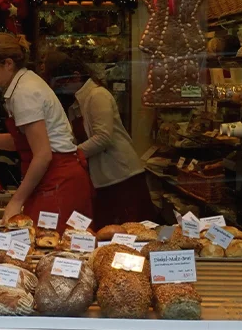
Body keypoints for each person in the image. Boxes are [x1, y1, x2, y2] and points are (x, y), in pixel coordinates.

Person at [0, 33, 93, 226]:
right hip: (56, 177)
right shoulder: (24, 83)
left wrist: (16, 201)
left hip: (58, 180)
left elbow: (42, 155)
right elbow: (23, 142)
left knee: (50, 245)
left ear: (8, 63)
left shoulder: (24, 92)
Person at [40, 50, 156, 227]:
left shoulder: (97, 96)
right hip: (102, 179)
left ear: (76, 77)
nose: (59, 89)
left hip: (121, 176)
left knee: (132, 231)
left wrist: (72, 155)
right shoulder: (76, 104)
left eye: (61, 84)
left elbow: (103, 137)